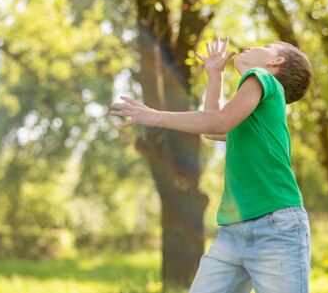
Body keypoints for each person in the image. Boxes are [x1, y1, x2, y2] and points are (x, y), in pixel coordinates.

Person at [110, 37, 313, 293]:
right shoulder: (257, 112)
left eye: (266, 46)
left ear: (275, 61)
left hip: (276, 227)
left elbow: (218, 122)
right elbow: (214, 128)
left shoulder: (263, 77)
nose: (252, 46)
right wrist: (214, 74)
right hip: (234, 230)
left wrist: (154, 116)